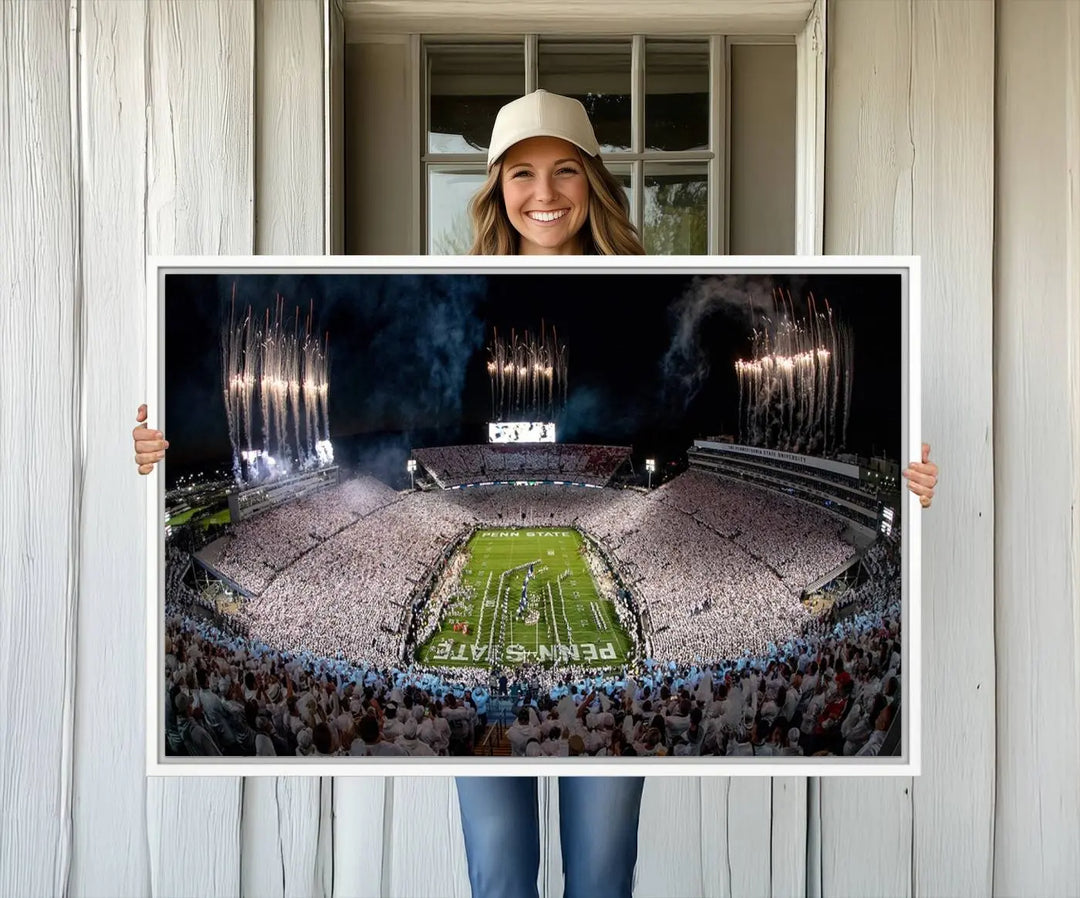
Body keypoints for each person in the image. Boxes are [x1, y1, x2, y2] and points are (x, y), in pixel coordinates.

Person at [132, 89, 940, 898]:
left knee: (600, 876)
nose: (544, 193)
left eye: (564, 171)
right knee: (500, 876)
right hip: (502, 708)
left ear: (593, 181)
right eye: (521, 173)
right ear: (495, 188)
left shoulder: (649, 276)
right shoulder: (447, 276)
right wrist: (156, 455)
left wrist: (901, 477)